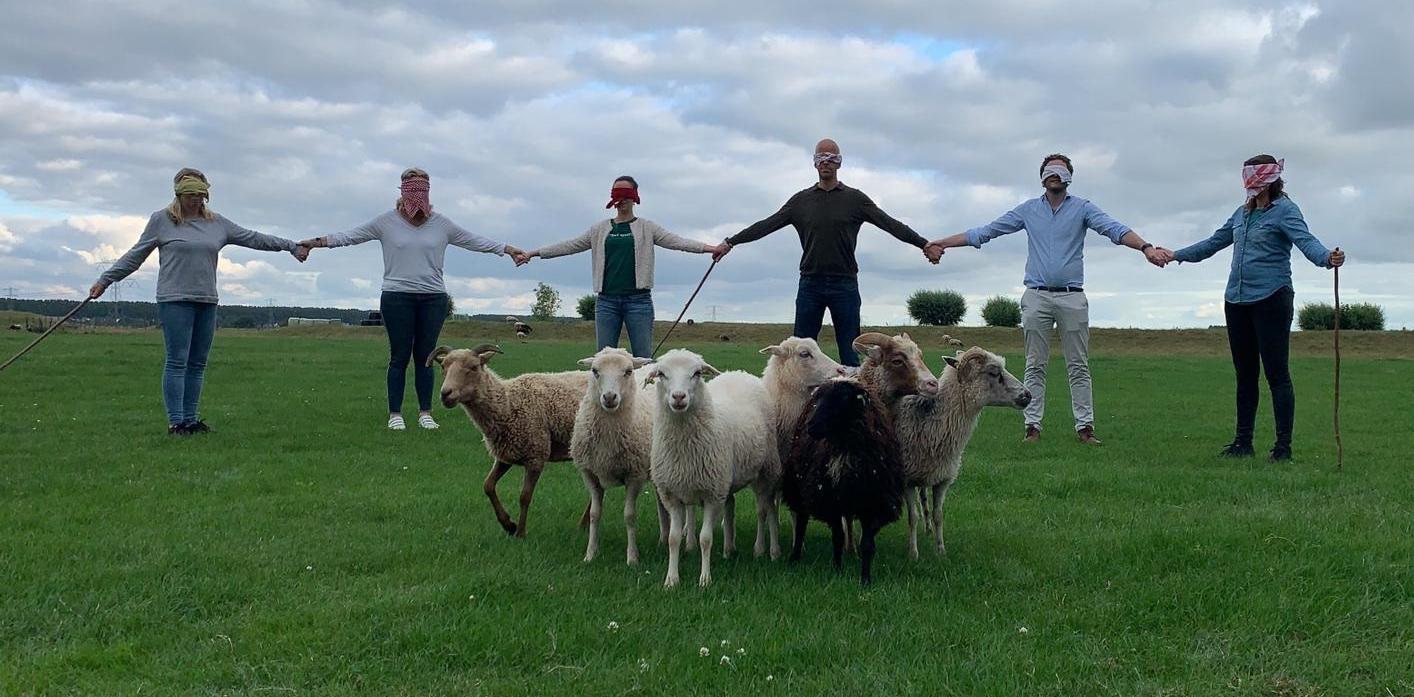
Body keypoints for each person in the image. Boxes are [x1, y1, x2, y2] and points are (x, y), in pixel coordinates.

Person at [927, 154, 1166, 444]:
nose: (1055, 175)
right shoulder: (1028, 210)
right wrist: (942, 243)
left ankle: (1085, 428)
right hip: (1037, 296)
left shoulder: (1083, 208)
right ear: (1042, 177)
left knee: (1078, 364)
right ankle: (1032, 427)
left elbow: (1114, 229)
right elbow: (987, 232)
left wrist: (1145, 247)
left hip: (1072, 297)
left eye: (1061, 171)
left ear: (1068, 177)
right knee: (1034, 364)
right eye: (1049, 171)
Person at [299, 168, 532, 431]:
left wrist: (508, 249)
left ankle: (425, 413)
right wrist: (314, 243)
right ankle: (395, 414)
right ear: (402, 193)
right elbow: (350, 236)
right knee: (399, 356)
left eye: (423, 191)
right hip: (397, 297)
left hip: (433, 298)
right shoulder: (385, 222)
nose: (418, 199)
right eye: (413, 191)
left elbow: (474, 240)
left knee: (426, 356)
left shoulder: (442, 224)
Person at [90, 168, 310, 436]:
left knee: (198, 362)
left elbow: (253, 238)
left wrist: (291, 246)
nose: (196, 200)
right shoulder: (162, 220)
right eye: (190, 195)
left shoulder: (216, 223)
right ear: (179, 195)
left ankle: (192, 420)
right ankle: (176, 422)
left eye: (201, 195)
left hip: (207, 299)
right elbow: (135, 255)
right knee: (177, 360)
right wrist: (106, 280)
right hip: (174, 299)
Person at [1162, 154, 1345, 462]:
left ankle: (1282, 448)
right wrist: (1174, 254)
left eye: (1256, 178)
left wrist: (1328, 258)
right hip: (1236, 301)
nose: (1251, 185)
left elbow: (1307, 242)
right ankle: (1242, 443)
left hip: (1272, 299)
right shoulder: (1241, 214)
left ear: (1270, 180)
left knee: (1277, 374)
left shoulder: (1286, 211)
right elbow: (1212, 243)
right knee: (1245, 375)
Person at [709, 138, 942, 367]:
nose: (826, 162)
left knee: (851, 352)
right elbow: (766, 225)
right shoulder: (800, 201)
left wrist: (923, 244)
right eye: (821, 158)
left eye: (831, 158)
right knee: (799, 353)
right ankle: (797, 405)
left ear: (839, 163)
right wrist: (731, 242)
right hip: (811, 283)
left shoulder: (855, 199)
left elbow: (890, 224)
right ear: (814, 163)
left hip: (845, 284)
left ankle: (853, 403)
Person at [529, 175, 716, 357]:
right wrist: (534, 253)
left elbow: (677, 242)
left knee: (643, 358)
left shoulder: (647, 227)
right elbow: (570, 245)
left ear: (635, 197)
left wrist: (711, 249)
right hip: (606, 302)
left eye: (626, 194)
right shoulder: (599, 229)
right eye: (617, 194)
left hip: (639, 302)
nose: (622, 199)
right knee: (603, 360)